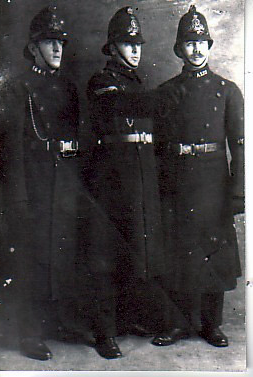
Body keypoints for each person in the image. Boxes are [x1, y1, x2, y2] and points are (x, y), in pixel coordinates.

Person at [0, 5, 96, 360]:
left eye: (61, 43)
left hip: (64, 185)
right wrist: (18, 199)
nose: (57, 49)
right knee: (31, 259)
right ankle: (29, 333)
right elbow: (8, 150)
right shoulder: (16, 88)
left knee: (62, 255)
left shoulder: (67, 88)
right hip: (33, 188)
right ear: (33, 46)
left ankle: (58, 323)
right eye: (49, 42)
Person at [86, 6, 188, 359]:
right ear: (112, 47)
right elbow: (119, 104)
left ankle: (133, 321)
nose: (135, 50)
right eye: (127, 44)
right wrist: (159, 101)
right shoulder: (102, 82)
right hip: (112, 179)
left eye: (138, 44)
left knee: (140, 254)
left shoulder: (137, 82)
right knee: (105, 258)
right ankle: (105, 334)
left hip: (141, 178)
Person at [153, 5, 244, 348]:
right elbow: (158, 147)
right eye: (189, 43)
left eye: (201, 42)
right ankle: (178, 323)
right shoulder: (166, 91)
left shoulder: (228, 90)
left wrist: (238, 193)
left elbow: (240, 146)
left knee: (213, 251)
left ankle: (212, 324)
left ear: (209, 46)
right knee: (179, 252)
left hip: (213, 184)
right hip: (177, 182)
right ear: (180, 49)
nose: (195, 49)